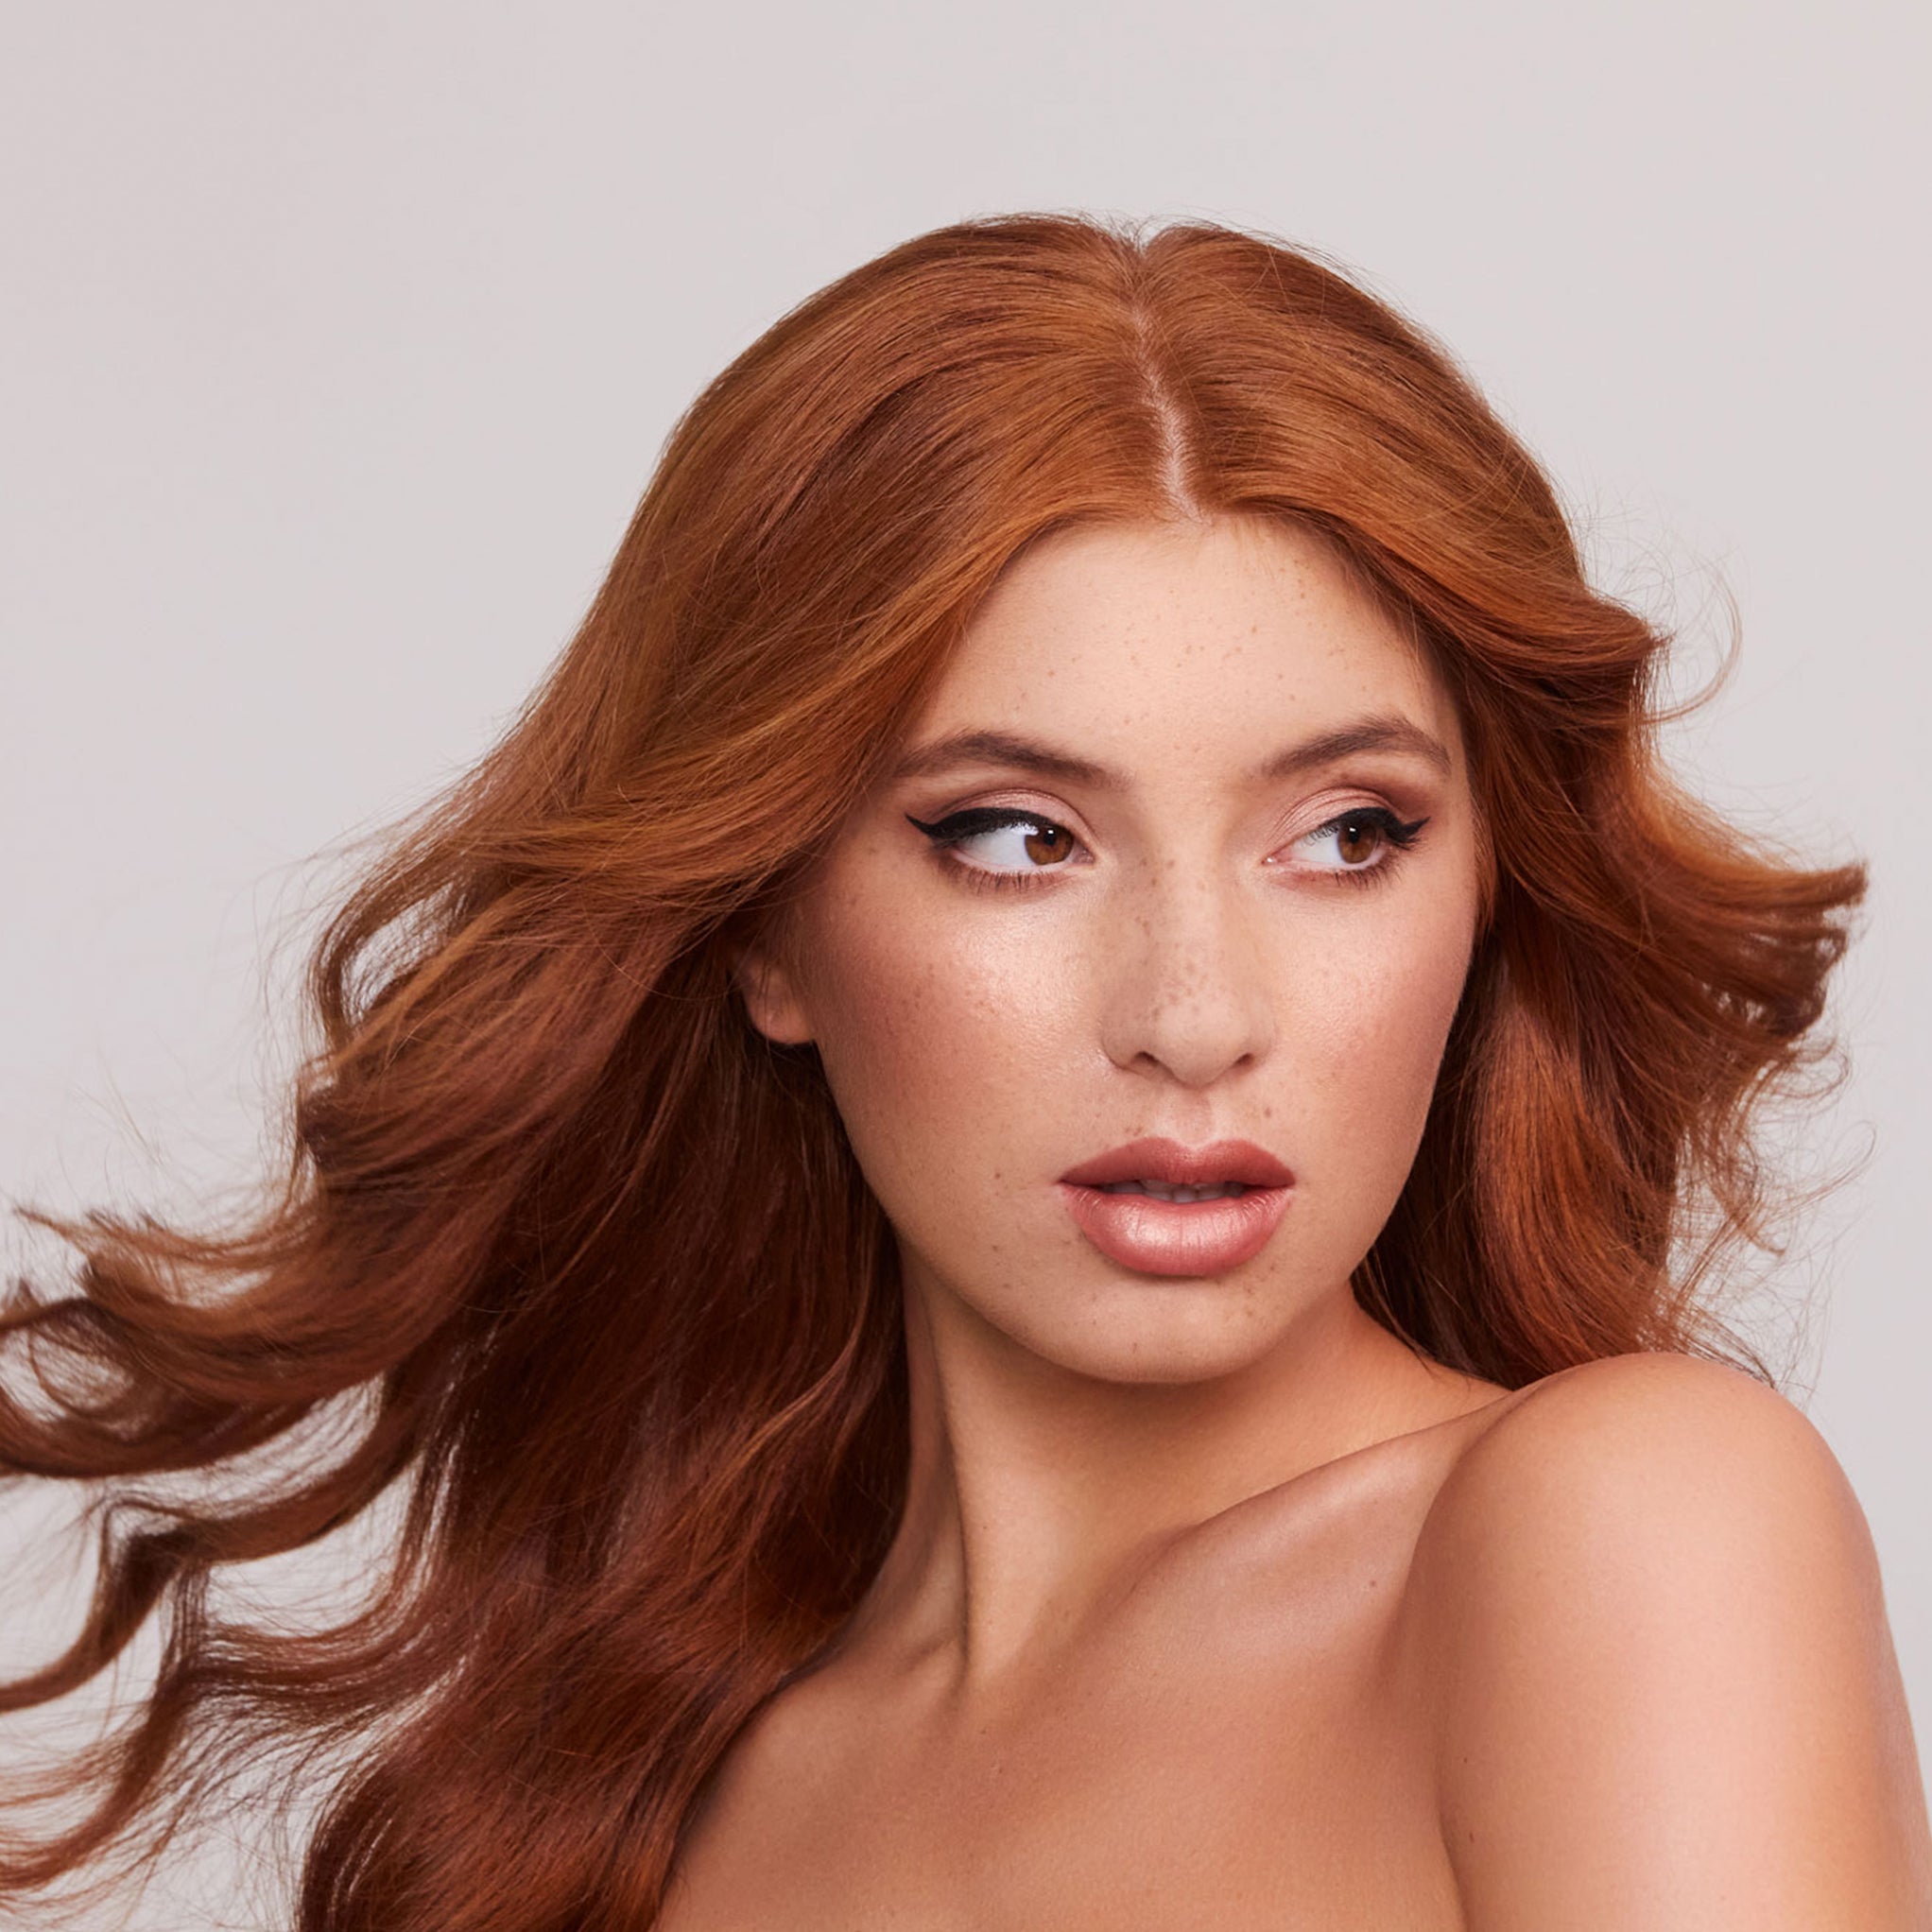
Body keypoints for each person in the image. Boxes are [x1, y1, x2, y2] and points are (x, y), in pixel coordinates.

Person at [2, 212, 1927, 1929]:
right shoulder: (631, 1805)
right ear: (763, 923)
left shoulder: (1617, 1535)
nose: (1191, 1011)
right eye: (1015, 835)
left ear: (1485, 889)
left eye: (1344, 832)